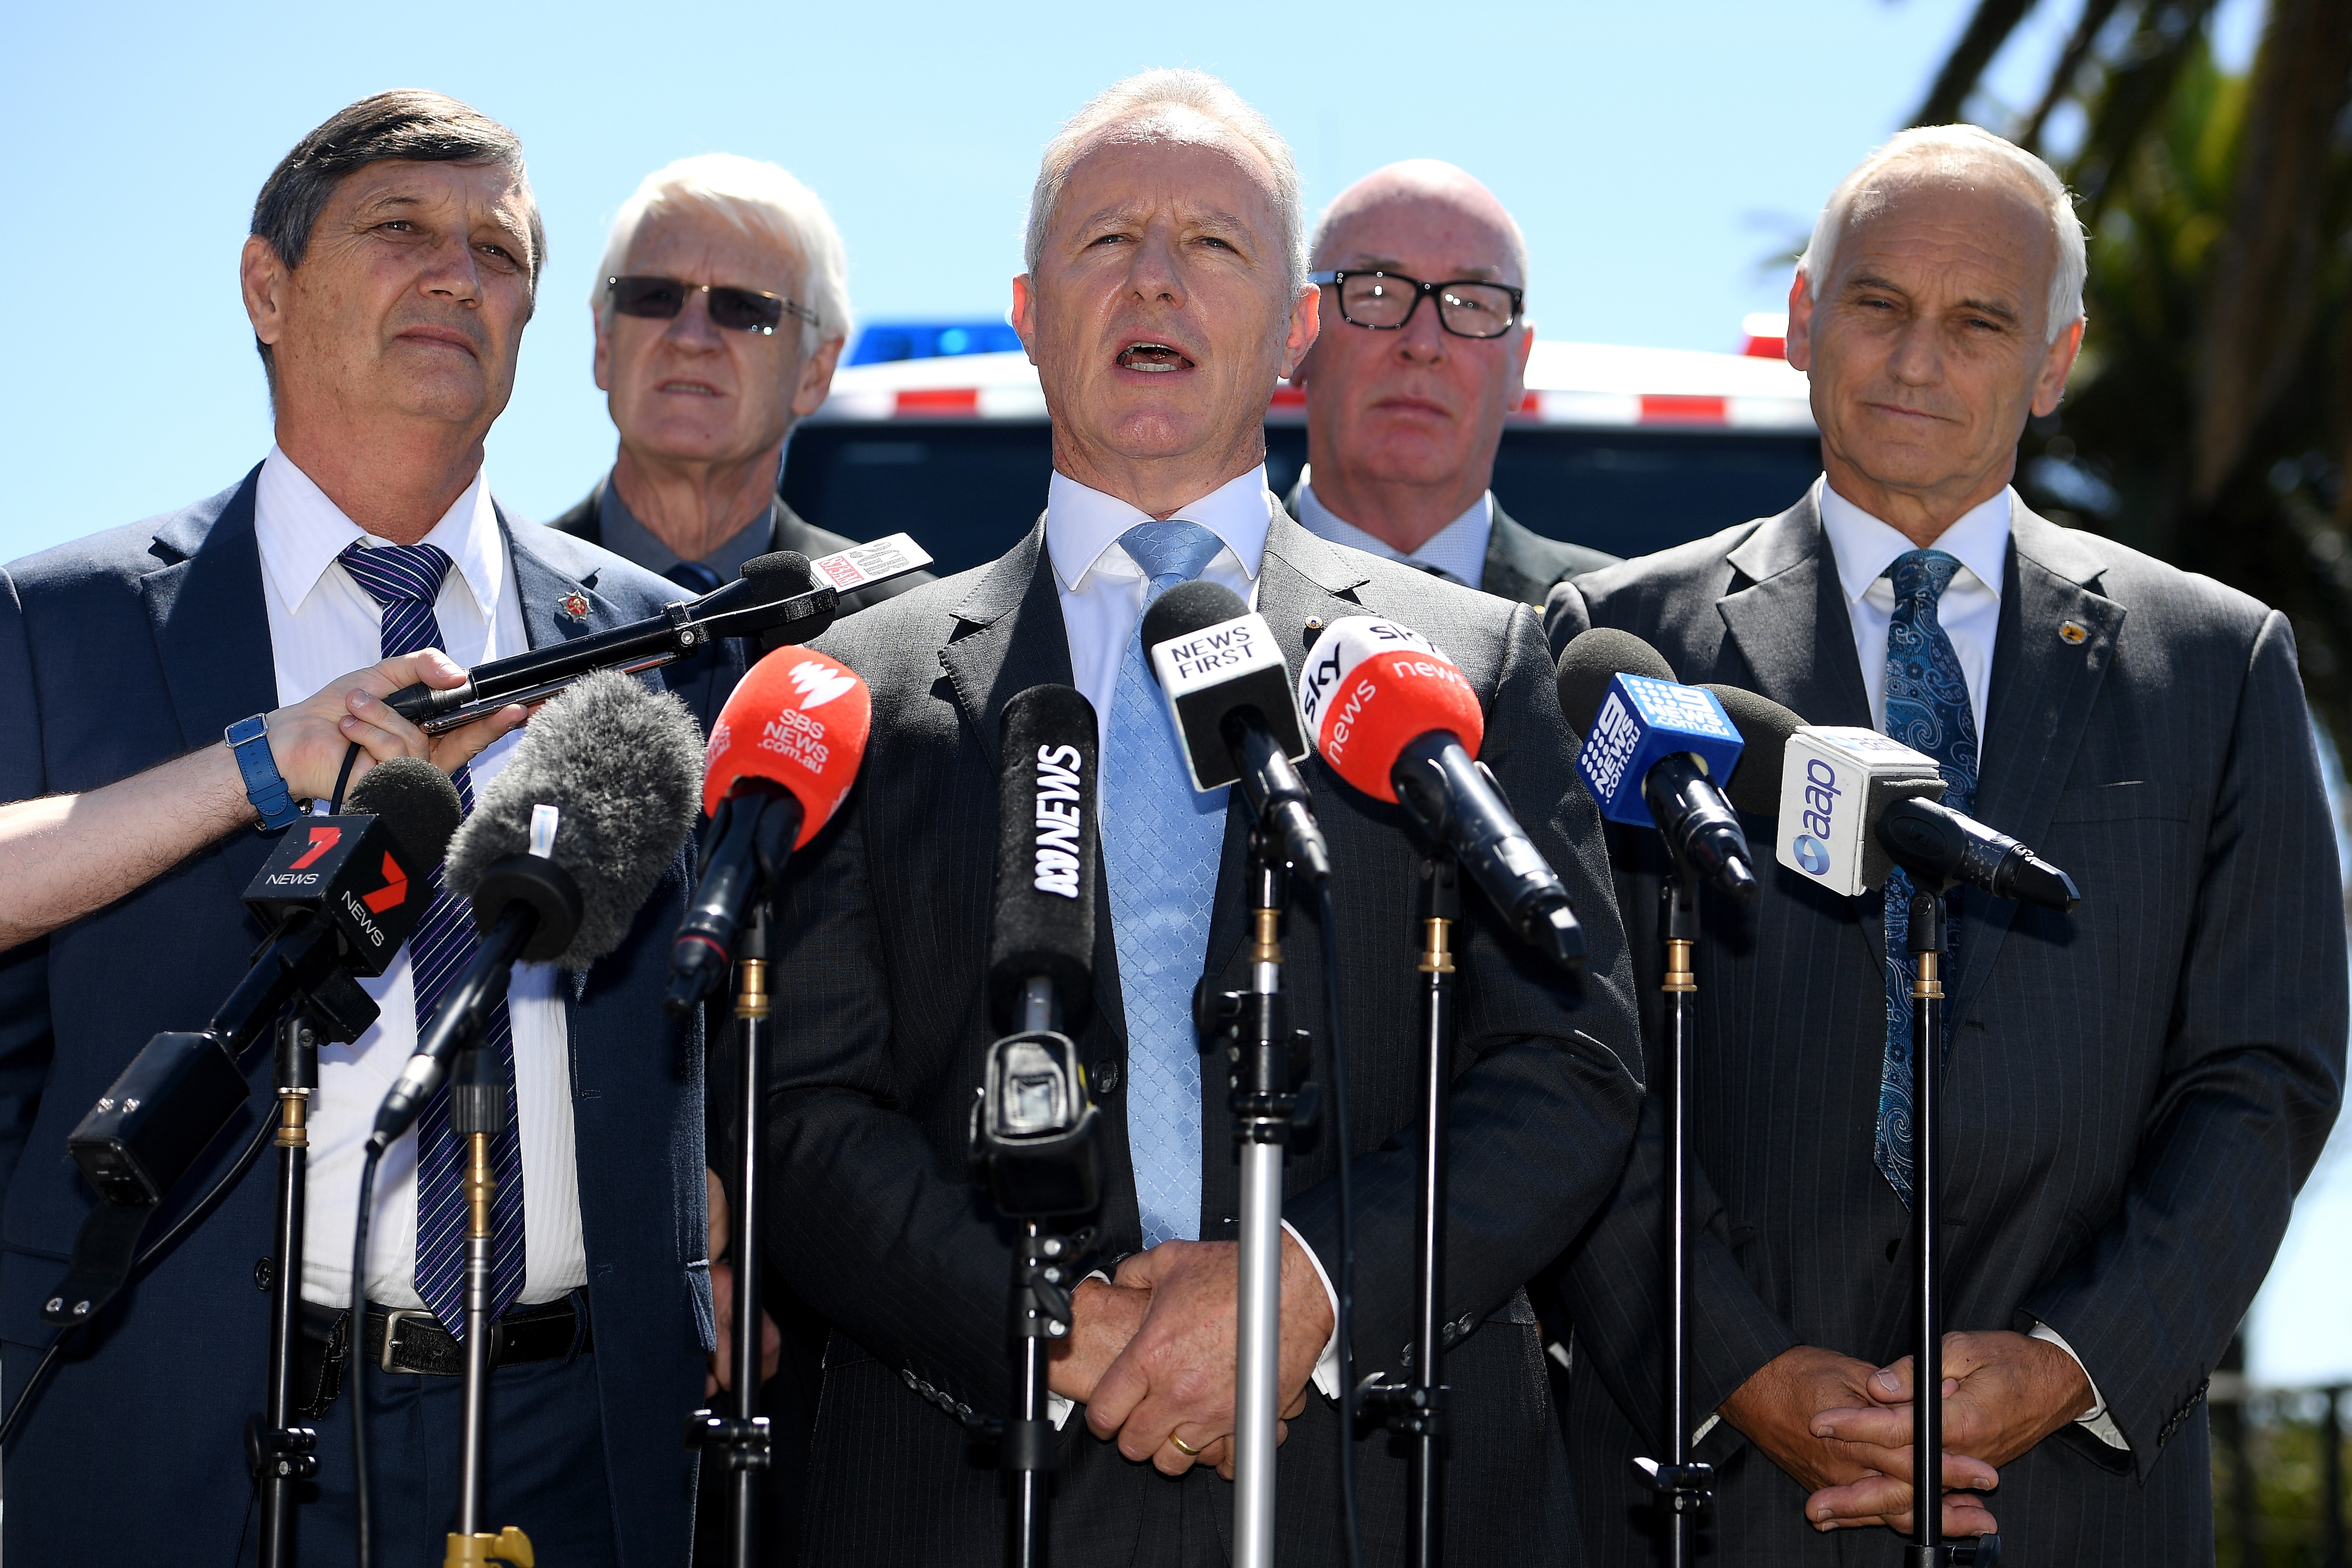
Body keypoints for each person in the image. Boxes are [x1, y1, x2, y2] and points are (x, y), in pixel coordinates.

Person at [756, 69, 1642, 1566]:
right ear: (1030, 311)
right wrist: (1047, 1332)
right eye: (1108, 242)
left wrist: (1306, 1285)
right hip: (974, 1474)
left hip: (1374, 1476)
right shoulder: (861, 683)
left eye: (1214, 246)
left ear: (1295, 327)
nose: (1156, 277)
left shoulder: (1470, 664)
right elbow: (799, 1101)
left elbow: (1568, 1058)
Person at [1547, 124, 2346, 1563]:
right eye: (1876, 306)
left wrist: (2068, 1361)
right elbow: (1569, 1066)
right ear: (1802, 320)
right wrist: (1733, 1365)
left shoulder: (2215, 666)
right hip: (1704, 1491)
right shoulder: (1618, 649)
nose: (1917, 362)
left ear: (2052, 362)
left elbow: (2262, 1072)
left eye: (1978, 322)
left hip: (2068, 1502)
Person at [0, 92, 713, 1567]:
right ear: (268, 286)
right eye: (401, 229)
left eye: (499, 252)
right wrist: (260, 768)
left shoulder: (647, 642)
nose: (458, 275)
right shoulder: (60, 623)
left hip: (572, 1441)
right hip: (174, 1428)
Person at [550, 153, 931, 732]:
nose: (690, 336)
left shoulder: (911, 632)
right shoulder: (496, 601)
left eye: (745, 308)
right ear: (604, 341)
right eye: (655, 297)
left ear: (815, 369)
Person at [1285, 159, 1616, 604]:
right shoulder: (1192, 603)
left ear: (1520, 362)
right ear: (1300, 331)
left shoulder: (1621, 616)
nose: (1423, 344)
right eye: (1377, 293)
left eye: (1472, 304)